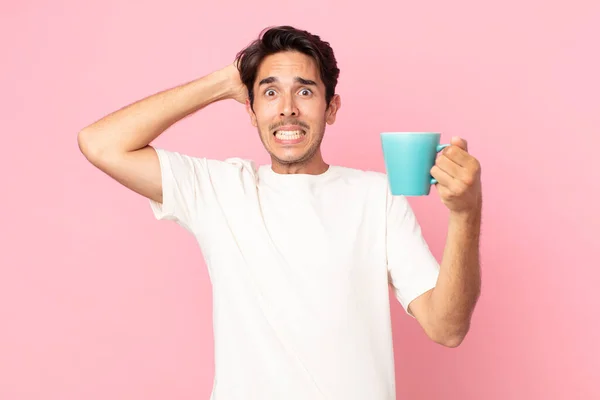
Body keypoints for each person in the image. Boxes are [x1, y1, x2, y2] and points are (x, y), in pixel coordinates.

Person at [77, 25, 482, 400]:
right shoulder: (219, 189)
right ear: (251, 110)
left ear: (331, 108)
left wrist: (466, 213)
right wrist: (221, 82)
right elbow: (100, 143)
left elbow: (446, 328)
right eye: (270, 93)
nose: (287, 109)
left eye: (305, 92)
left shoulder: (377, 195)